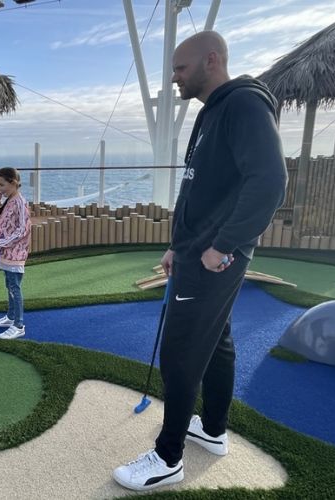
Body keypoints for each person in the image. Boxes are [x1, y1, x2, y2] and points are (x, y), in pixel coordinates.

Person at [112, 31, 287, 491]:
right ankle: (211, 430)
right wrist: (177, 244)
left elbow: (269, 181)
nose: (173, 78)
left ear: (212, 60)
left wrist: (223, 245)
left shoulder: (245, 105)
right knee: (218, 341)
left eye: (180, 68)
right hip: (195, 251)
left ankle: (168, 459)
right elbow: (200, 189)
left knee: (181, 353)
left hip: (213, 258)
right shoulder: (213, 112)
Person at [0, 167, 32, 340]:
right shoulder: (7, 200)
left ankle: (19, 325)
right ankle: (11, 317)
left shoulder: (20, 202)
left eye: (2, 185)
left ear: (13, 183)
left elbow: (23, 230)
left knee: (15, 288)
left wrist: (0, 243)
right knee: (10, 286)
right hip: (6, 253)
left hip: (16, 253)